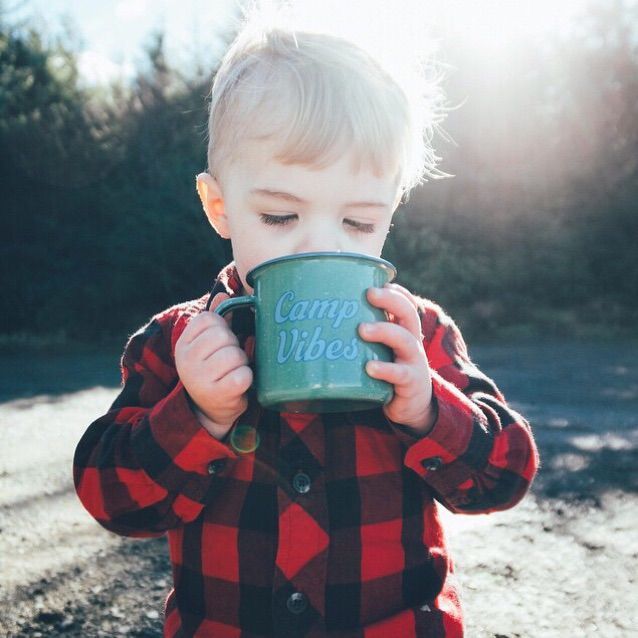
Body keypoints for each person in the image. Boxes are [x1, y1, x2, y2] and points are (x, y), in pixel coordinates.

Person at [74, 13, 539, 638]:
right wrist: (197, 415)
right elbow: (112, 499)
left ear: (391, 211)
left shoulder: (415, 335)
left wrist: (429, 410)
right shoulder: (177, 344)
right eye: (279, 215)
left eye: (358, 223)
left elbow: (505, 476)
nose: (320, 245)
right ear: (220, 206)